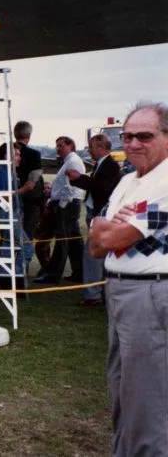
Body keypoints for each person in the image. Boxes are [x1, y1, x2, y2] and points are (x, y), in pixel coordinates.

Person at [88, 101, 168, 456]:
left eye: (144, 136)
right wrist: (104, 225)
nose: (133, 143)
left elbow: (111, 239)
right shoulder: (125, 181)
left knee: (148, 398)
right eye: (127, 136)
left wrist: (106, 227)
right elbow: (94, 245)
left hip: (149, 295)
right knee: (122, 391)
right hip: (119, 290)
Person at [65, 134, 121, 306]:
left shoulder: (110, 166)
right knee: (100, 256)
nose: (89, 150)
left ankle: (93, 295)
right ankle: (101, 292)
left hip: (102, 215)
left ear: (101, 147)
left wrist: (78, 178)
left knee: (91, 255)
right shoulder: (102, 165)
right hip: (97, 214)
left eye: (91, 147)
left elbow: (102, 187)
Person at [34, 136, 85, 284]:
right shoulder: (69, 161)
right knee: (74, 241)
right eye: (57, 146)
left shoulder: (73, 161)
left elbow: (70, 188)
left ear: (70, 145)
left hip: (66, 205)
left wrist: (60, 206)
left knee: (62, 241)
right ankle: (80, 272)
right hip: (67, 204)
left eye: (60, 145)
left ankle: (52, 274)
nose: (58, 148)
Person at [0, 143, 27, 289]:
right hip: (8, 212)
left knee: (12, 246)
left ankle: (11, 279)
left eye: (18, 154)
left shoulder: (11, 172)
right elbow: (1, 196)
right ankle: (10, 279)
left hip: (15, 212)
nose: (19, 158)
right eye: (16, 154)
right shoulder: (1, 171)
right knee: (21, 247)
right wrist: (23, 190)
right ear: (6, 156)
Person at [13, 121, 45, 270]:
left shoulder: (4, 150)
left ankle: (4, 271)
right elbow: (33, 182)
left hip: (11, 201)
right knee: (27, 236)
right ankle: (21, 271)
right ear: (29, 135)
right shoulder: (34, 154)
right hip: (30, 202)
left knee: (9, 237)